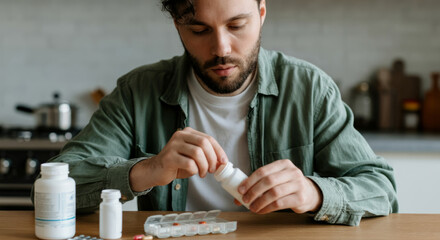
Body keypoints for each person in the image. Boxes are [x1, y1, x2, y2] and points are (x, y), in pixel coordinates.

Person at [33, 0, 398, 226]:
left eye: (237, 25)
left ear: (262, 12)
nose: (220, 48)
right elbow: (52, 190)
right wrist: (146, 170)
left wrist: (313, 193)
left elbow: (381, 189)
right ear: (178, 24)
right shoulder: (137, 91)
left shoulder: (309, 88)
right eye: (199, 29)